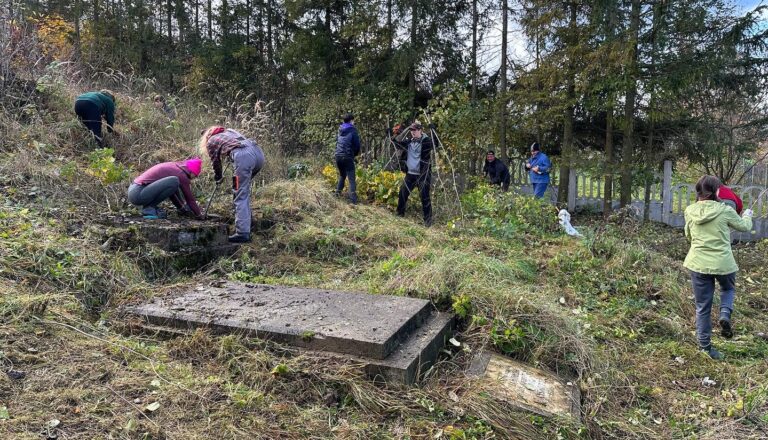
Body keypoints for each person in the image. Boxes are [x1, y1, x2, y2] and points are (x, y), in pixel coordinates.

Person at [683, 175, 753, 360]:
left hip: (698, 263)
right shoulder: (724, 210)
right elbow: (744, 227)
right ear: (716, 191)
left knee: (702, 307)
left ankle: (705, 348)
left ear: (698, 192)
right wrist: (747, 215)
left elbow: (688, 235)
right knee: (728, 288)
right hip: (723, 263)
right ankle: (724, 313)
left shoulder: (690, 210)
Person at [200, 126, 265, 243]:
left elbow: (216, 163)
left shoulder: (211, 141)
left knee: (240, 193)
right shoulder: (229, 132)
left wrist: (218, 178)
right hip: (257, 153)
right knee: (240, 190)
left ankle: (242, 233)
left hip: (243, 157)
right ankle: (248, 223)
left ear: (206, 136)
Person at [128, 158, 204, 220]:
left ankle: (149, 208)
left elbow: (171, 192)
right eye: (196, 175)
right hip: (138, 193)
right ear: (192, 171)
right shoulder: (181, 175)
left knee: (174, 182)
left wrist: (181, 208)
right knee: (174, 180)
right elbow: (190, 199)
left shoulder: (174, 167)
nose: (194, 178)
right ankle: (149, 208)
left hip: (134, 190)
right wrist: (199, 215)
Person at [392, 121, 434, 226]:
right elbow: (397, 144)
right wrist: (392, 135)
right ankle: (399, 214)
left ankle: (428, 222)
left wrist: (433, 130)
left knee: (425, 197)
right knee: (402, 193)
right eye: (411, 131)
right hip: (410, 174)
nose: (412, 133)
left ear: (420, 130)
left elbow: (435, 144)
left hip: (423, 175)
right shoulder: (409, 142)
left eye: (414, 130)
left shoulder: (426, 141)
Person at [334, 113, 361, 204]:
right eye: (353, 120)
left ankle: (337, 194)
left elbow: (337, 143)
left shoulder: (340, 130)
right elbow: (357, 145)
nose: (354, 122)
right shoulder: (353, 130)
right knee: (351, 178)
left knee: (342, 175)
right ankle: (353, 200)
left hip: (338, 155)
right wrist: (354, 155)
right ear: (351, 120)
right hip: (347, 156)